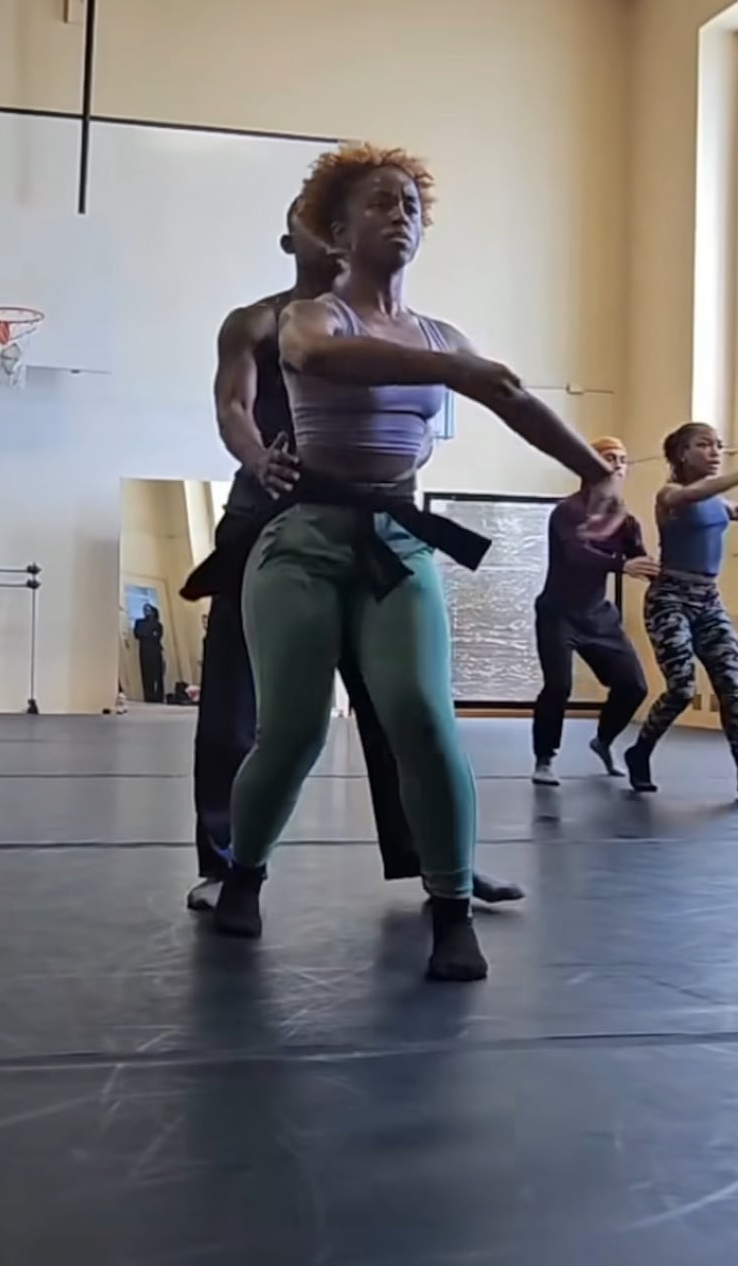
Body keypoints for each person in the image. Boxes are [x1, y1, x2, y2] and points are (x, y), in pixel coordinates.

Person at [215, 143, 625, 982]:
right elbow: (322, 361)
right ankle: (242, 876)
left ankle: (449, 907)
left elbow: (506, 392)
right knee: (288, 730)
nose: (398, 214)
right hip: (302, 543)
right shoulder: (310, 316)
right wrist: (456, 371)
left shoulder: (443, 335)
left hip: (399, 541)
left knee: (424, 718)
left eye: (408, 204)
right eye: (377, 203)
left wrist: (595, 471)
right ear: (336, 231)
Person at [183, 196, 523, 910]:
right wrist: (255, 461)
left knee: (404, 703)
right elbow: (232, 409)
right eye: (320, 217)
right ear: (296, 237)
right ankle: (225, 864)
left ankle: (439, 860)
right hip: (270, 517)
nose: (340, 230)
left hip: (367, 520)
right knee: (242, 706)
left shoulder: (389, 327)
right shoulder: (256, 322)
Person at [624, 423, 738, 804]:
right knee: (682, 688)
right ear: (681, 455)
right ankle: (639, 753)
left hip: (708, 601)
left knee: (733, 689)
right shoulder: (671, 494)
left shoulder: (718, 503)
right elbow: (694, 494)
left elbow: (735, 508)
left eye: (718, 446)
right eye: (703, 445)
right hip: (670, 599)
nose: (715, 452)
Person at [530, 436, 657, 786]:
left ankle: (602, 742)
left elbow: (640, 562)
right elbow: (578, 554)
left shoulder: (627, 522)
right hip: (558, 614)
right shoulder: (569, 511)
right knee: (558, 686)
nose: (617, 464)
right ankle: (544, 758)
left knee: (634, 686)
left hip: (599, 616)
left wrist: (668, 579)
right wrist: (622, 565)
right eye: (609, 458)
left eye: (623, 458)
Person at [133, 603, 166, 703]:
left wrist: (146, 634)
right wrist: (149, 634)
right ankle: (149, 696)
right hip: (144, 651)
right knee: (146, 675)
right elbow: (137, 634)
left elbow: (157, 636)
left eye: (148, 609)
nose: (146, 612)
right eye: (144, 609)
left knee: (158, 674)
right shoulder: (139, 622)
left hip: (155, 651)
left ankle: (159, 697)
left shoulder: (158, 624)